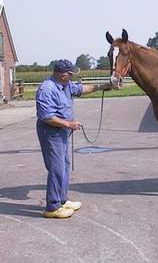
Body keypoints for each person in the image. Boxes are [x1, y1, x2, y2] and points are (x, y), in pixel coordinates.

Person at [36, 59, 112, 218]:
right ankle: (52, 207)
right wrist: (68, 124)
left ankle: (63, 200)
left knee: (64, 165)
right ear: (63, 74)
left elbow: (81, 89)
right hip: (51, 132)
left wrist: (102, 86)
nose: (72, 77)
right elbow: (46, 116)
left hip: (62, 131)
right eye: (71, 74)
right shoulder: (47, 89)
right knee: (56, 168)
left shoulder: (65, 85)